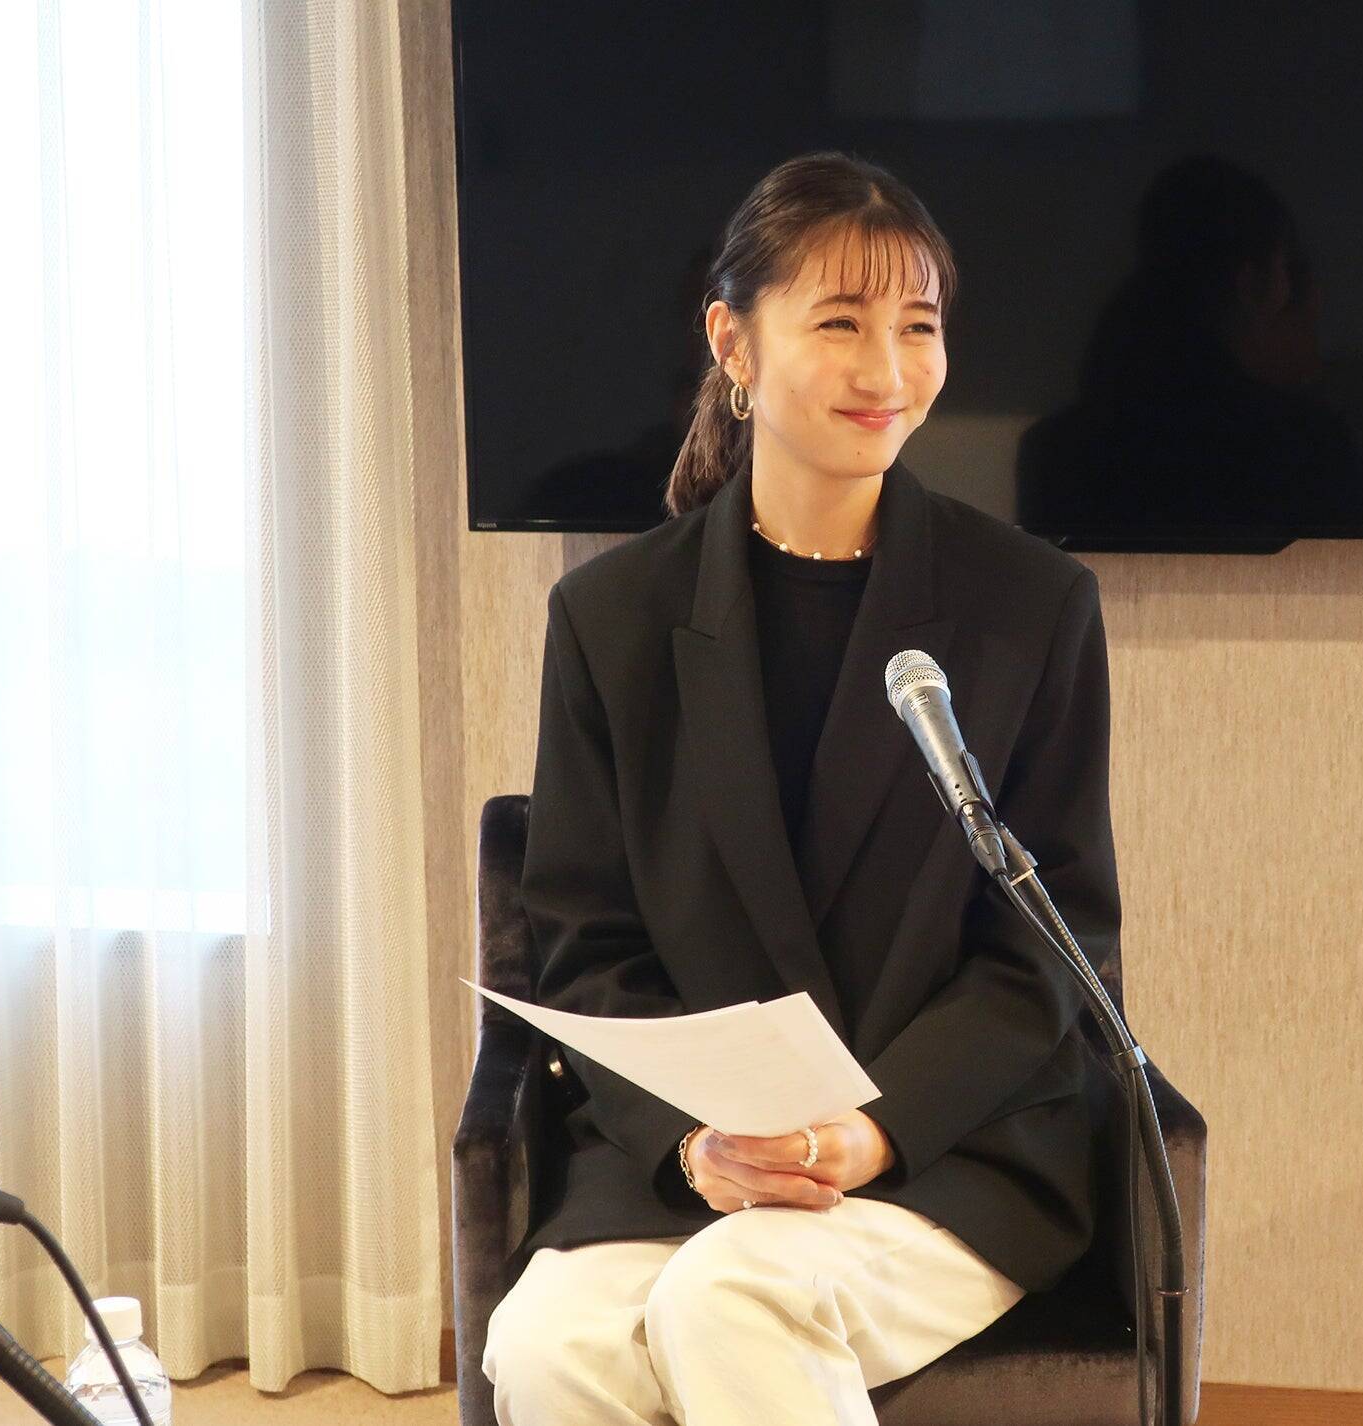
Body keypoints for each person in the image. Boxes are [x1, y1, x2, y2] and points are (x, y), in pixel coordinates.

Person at [483, 150, 1124, 1426]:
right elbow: (586, 948)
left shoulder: (1028, 605)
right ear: (732, 341)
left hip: (948, 1151)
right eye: (839, 323)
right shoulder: (611, 617)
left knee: (733, 1295)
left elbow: (1049, 947)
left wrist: (869, 1128)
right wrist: (695, 1145)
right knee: (549, 1349)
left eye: (918, 326)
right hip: (684, 1156)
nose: (886, 369)